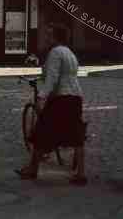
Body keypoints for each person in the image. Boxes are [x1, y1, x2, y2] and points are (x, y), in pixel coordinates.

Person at [15, 23, 87, 185]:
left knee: (41, 131)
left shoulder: (55, 52)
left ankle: (32, 169)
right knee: (77, 134)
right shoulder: (69, 53)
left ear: (55, 37)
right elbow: (64, 74)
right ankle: (81, 173)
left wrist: (41, 97)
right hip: (75, 96)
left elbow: (52, 79)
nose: (46, 37)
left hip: (61, 98)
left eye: (49, 34)